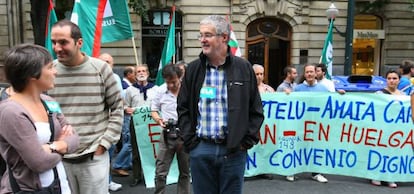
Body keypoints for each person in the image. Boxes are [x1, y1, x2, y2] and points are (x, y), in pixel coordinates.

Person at [177, 15, 264, 194]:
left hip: (233, 151)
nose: (202, 40)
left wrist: (245, 141)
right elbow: (183, 108)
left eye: (207, 35)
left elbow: (255, 109)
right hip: (201, 149)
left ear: (224, 37)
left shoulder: (243, 68)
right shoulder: (193, 69)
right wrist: (192, 142)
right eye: (200, 35)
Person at [49, 20, 124, 194]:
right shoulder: (49, 71)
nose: (57, 48)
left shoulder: (100, 69)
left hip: (93, 156)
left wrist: (103, 145)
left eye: (63, 42)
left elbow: (117, 108)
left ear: (79, 42)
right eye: (54, 42)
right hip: (60, 158)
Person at [0, 43, 79, 193]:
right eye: (50, 67)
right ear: (32, 74)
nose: (55, 72)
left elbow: (74, 138)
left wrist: (51, 147)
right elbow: (39, 162)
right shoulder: (10, 111)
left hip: (60, 186)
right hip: (29, 189)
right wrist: (62, 146)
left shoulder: (49, 102)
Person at [151, 64, 190, 194]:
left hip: (184, 134)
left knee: (185, 171)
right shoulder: (160, 91)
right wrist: (159, 120)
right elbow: (154, 110)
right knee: (161, 171)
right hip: (167, 134)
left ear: (180, 77)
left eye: (173, 82)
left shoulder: (188, 90)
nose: (171, 85)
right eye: (168, 82)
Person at [291, 64, 329, 183]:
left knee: (316, 147)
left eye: (311, 72)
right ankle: (291, 170)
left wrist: (340, 94)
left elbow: (330, 102)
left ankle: (316, 173)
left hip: (316, 124)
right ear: (304, 74)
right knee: (298, 145)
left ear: (316, 73)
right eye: (307, 72)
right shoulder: (298, 89)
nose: (309, 74)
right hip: (301, 124)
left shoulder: (323, 89)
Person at [123, 64, 158, 187]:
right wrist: (127, 109)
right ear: (135, 74)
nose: (141, 73)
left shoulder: (155, 89)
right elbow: (125, 106)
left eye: (143, 71)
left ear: (148, 73)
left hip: (152, 123)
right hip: (136, 123)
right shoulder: (130, 90)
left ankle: (154, 174)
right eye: (138, 71)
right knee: (136, 150)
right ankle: (137, 176)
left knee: (154, 149)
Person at [371, 70, 405, 188]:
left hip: (396, 130)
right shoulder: (379, 94)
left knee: (393, 153)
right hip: (381, 128)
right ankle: (376, 175)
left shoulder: (404, 96)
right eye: (389, 78)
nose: (392, 80)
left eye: (394, 78)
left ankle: (390, 177)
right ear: (386, 80)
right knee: (379, 151)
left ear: (399, 80)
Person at [98, 53, 123, 192]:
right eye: (103, 61)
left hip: (110, 124)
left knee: (109, 155)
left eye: (108, 62)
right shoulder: (93, 77)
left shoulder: (115, 78)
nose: (106, 64)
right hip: (97, 126)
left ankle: (108, 181)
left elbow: (119, 100)